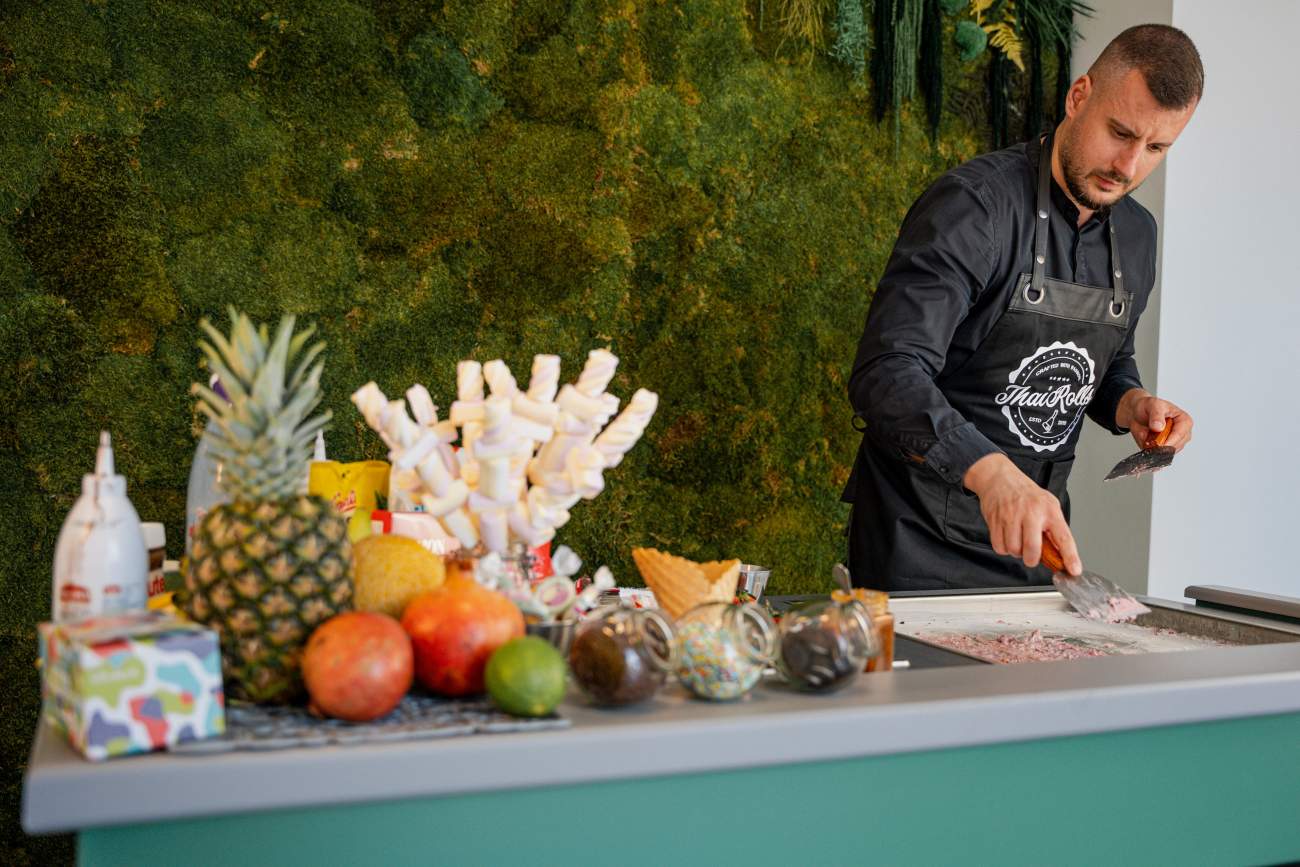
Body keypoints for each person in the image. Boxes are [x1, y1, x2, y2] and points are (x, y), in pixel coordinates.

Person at [843, 24, 1202, 591]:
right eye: (1120, 133)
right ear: (1078, 96)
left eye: (1156, 149)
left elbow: (1109, 361)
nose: (1129, 166)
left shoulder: (1138, 236)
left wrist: (1131, 403)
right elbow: (888, 371)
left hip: (1035, 548)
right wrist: (992, 475)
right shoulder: (974, 208)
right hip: (917, 544)